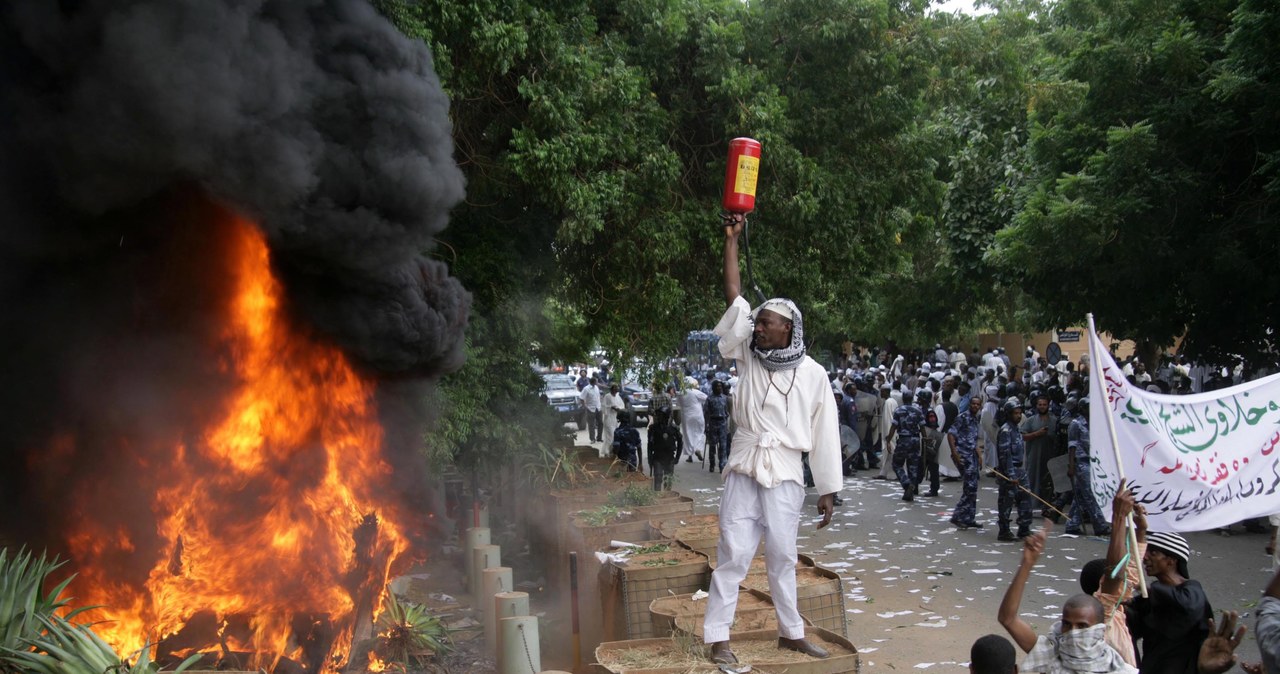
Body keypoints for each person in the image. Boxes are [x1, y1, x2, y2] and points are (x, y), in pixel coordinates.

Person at [703, 212, 840, 665]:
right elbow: (734, 296)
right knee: (734, 553)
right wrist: (731, 242)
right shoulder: (749, 355)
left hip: (784, 471)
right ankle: (718, 638)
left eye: (767, 324)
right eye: (757, 323)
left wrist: (827, 490)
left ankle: (791, 631)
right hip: (745, 465)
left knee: (783, 555)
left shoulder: (815, 374)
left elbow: (823, 434)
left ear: (789, 330)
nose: (758, 327)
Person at [998, 522, 1138, 673]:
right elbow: (1008, 619)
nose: (1073, 633)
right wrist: (1027, 564)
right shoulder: (1050, 655)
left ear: (1099, 629)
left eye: (1082, 626)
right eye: (1067, 624)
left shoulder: (1119, 669)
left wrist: (1119, 520)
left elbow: (1114, 576)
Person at [1128, 531, 1212, 673]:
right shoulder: (1153, 596)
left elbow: (1188, 607)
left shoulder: (1191, 590)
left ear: (1171, 560)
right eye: (1146, 552)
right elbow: (1134, 625)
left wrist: (1149, 589)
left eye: (1153, 553)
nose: (1145, 558)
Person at [1064, 397, 1109, 536]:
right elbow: (1072, 445)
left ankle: (1072, 524)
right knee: (1091, 494)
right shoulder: (1076, 424)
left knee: (1081, 495)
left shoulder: (1094, 423)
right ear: (1083, 408)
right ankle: (1100, 525)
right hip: (1081, 462)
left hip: (1093, 461)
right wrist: (1071, 465)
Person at [997, 398, 1034, 542]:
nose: (1019, 416)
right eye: (1015, 413)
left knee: (1025, 499)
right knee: (1007, 502)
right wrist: (1011, 475)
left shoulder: (1016, 429)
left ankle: (1024, 528)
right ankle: (1004, 531)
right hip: (1009, 472)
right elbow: (1005, 455)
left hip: (1020, 469)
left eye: (1020, 413)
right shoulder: (1006, 430)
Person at [949, 395, 985, 529]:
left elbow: (973, 439)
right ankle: (958, 516)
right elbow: (951, 434)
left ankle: (969, 517)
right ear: (970, 404)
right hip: (963, 455)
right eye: (973, 404)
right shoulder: (962, 417)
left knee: (973, 487)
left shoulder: (975, 419)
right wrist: (955, 453)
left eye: (978, 404)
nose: (975, 406)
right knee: (969, 487)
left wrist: (979, 455)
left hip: (972, 455)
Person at [891, 389, 929, 501]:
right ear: (912, 399)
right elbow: (922, 427)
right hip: (915, 440)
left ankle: (906, 483)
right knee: (913, 466)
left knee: (897, 464)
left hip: (903, 440)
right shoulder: (918, 410)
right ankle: (912, 488)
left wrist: (888, 439)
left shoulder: (898, 410)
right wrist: (925, 440)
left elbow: (894, 426)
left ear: (903, 398)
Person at [647, 404, 681, 491]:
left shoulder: (674, 428)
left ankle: (667, 499)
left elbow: (680, 442)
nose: (658, 417)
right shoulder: (653, 428)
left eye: (661, 415)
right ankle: (657, 497)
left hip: (669, 457)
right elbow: (650, 445)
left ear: (666, 416)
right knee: (658, 477)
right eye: (658, 415)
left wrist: (677, 457)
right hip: (658, 457)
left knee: (668, 480)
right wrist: (650, 458)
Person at [677, 377, 708, 463]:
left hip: (686, 416)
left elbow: (678, 403)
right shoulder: (695, 392)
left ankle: (690, 456)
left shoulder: (680, 393)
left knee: (688, 434)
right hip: (697, 415)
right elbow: (707, 399)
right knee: (699, 431)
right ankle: (698, 448)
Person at [705, 380, 731, 472]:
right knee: (712, 445)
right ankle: (712, 464)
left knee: (723, 446)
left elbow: (727, 412)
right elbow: (706, 413)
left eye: (720, 386)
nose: (719, 388)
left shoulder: (725, 398)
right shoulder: (709, 399)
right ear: (713, 388)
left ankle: (722, 465)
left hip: (722, 423)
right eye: (717, 386)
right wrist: (706, 426)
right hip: (713, 422)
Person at [601, 383, 626, 459]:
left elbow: (622, 405)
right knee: (610, 436)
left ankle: (608, 451)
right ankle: (609, 452)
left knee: (614, 436)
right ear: (611, 389)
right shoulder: (607, 396)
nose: (616, 391)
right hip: (608, 418)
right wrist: (611, 407)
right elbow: (603, 406)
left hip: (615, 418)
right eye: (614, 389)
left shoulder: (618, 396)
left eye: (617, 389)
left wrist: (618, 408)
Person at [578, 376, 603, 445]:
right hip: (590, 408)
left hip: (598, 408)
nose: (597, 383)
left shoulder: (596, 388)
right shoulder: (586, 389)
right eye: (596, 381)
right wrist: (585, 406)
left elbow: (598, 397)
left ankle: (599, 438)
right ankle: (592, 439)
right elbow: (581, 398)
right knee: (591, 424)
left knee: (600, 423)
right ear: (594, 382)